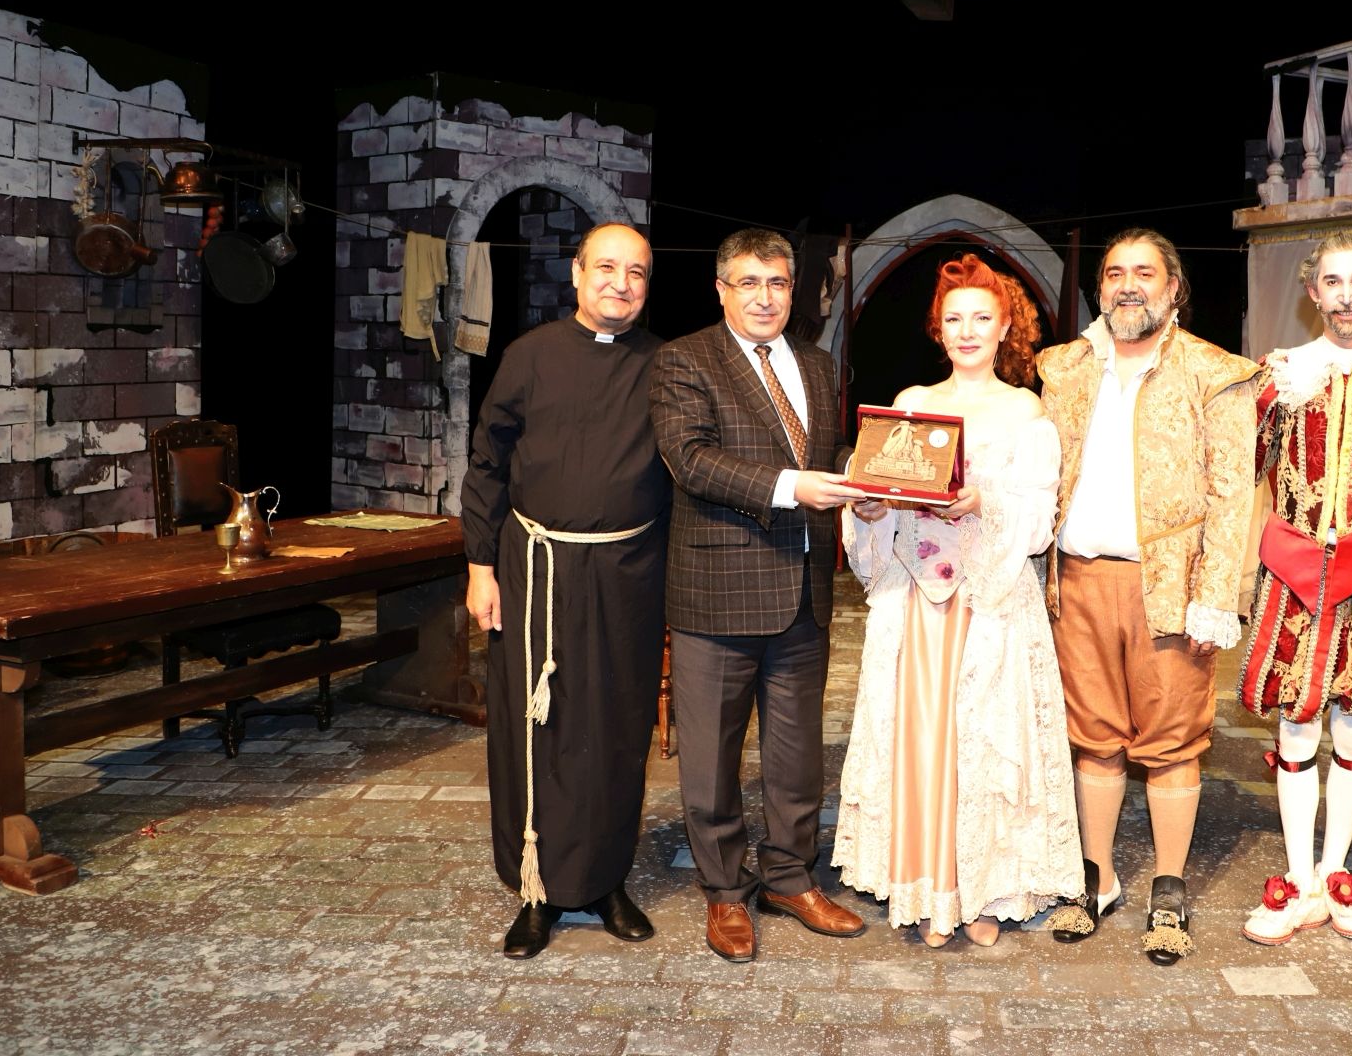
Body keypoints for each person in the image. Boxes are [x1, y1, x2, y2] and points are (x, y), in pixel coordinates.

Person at [833, 254, 1082, 948]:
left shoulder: (1025, 411)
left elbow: (1039, 520)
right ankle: (925, 883)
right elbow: (880, 496)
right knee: (921, 735)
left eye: (981, 318)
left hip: (989, 601)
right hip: (917, 602)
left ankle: (983, 891)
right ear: (937, 329)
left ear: (1004, 327)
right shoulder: (911, 404)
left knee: (984, 738)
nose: (967, 331)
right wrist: (870, 509)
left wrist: (985, 502)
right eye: (953, 319)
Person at [1037, 228, 1258, 965]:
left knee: (1170, 742)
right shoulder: (1063, 367)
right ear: (1100, 287)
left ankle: (1169, 886)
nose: (1127, 285)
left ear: (1174, 287)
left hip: (1169, 591)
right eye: (1114, 273)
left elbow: (1232, 496)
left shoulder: (1216, 373)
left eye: (1144, 272)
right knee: (1094, 736)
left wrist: (1214, 597)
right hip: (1078, 582)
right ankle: (1096, 879)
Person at [650, 227, 871, 963]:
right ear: (721, 290)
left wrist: (865, 478)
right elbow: (691, 460)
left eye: (777, 283)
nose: (765, 297)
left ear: (791, 289)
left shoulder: (815, 361)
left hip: (803, 592)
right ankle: (724, 890)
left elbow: (827, 454)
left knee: (797, 754)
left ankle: (789, 878)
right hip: (717, 591)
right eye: (749, 283)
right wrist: (792, 487)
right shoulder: (684, 359)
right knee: (711, 758)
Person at [461, 222, 669, 959]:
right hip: (535, 568)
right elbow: (487, 462)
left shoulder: (665, 364)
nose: (621, 283)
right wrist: (479, 566)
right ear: (577, 275)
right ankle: (536, 888)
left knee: (616, 726)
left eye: (636, 272)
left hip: (628, 572)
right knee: (536, 726)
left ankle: (606, 880)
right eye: (606, 267)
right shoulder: (529, 356)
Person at [1240, 234, 1352, 948]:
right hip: (1293, 574)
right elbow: (1240, 468)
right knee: (1296, 723)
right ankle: (1299, 877)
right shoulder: (1281, 375)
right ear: (1312, 292)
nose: (1347, 295)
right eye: (1333, 282)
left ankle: (1335, 868)